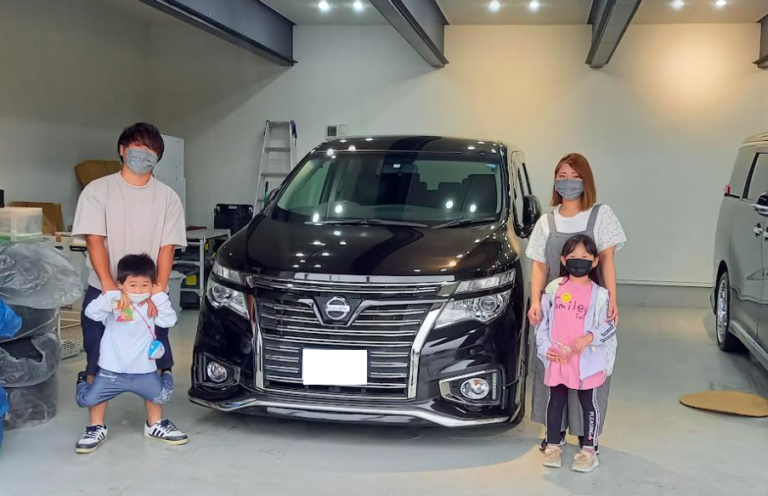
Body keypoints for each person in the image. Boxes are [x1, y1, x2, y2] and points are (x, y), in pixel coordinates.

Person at [72, 123, 188, 453]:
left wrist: (158, 290)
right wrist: (111, 290)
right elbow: (95, 240)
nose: (143, 154)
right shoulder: (98, 190)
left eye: (151, 149)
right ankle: (95, 425)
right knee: (98, 353)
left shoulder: (168, 198)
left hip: (149, 293)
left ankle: (155, 422)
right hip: (105, 289)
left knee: (156, 352)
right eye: (137, 146)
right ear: (122, 150)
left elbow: (167, 247)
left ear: (158, 156)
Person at [526, 153, 627, 452]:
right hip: (555, 311)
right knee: (554, 366)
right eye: (562, 176)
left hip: (590, 312)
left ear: (586, 181)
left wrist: (613, 299)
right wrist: (535, 301)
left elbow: (607, 261)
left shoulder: (601, 215)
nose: (568, 182)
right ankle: (553, 432)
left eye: (575, 176)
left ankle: (587, 435)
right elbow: (539, 266)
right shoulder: (546, 222)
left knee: (588, 370)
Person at [75, 254, 187, 453]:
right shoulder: (115, 303)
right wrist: (112, 296)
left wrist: (158, 297)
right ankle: (85, 390)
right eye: (133, 285)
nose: (139, 290)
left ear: (152, 285)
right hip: (111, 372)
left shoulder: (153, 305)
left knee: (163, 396)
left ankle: (164, 382)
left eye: (145, 285)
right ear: (121, 284)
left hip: (144, 372)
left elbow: (169, 320)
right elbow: (92, 313)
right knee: (86, 400)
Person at [536, 235, 617, 473]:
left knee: (588, 403)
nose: (578, 261)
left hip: (586, 363)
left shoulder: (600, 295)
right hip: (559, 360)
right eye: (573, 256)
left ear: (595, 261)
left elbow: (610, 327)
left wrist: (589, 338)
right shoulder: (554, 289)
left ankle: (589, 450)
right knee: (556, 401)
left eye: (584, 256)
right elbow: (542, 325)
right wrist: (545, 348)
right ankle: (553, 445)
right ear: (563, 260)